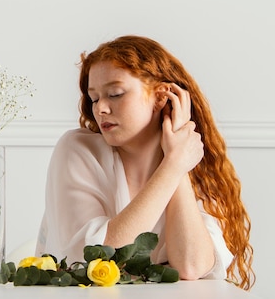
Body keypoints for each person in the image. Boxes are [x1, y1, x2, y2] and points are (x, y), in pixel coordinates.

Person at [36, 35, 254, 290]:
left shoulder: (188, 160)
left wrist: (176, 163)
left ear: (162, 97)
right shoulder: (77, 150)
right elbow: (99, 256)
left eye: (115, 94)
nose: (100, 109)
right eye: (94, 98)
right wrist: (173, 166)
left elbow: (192, 266)